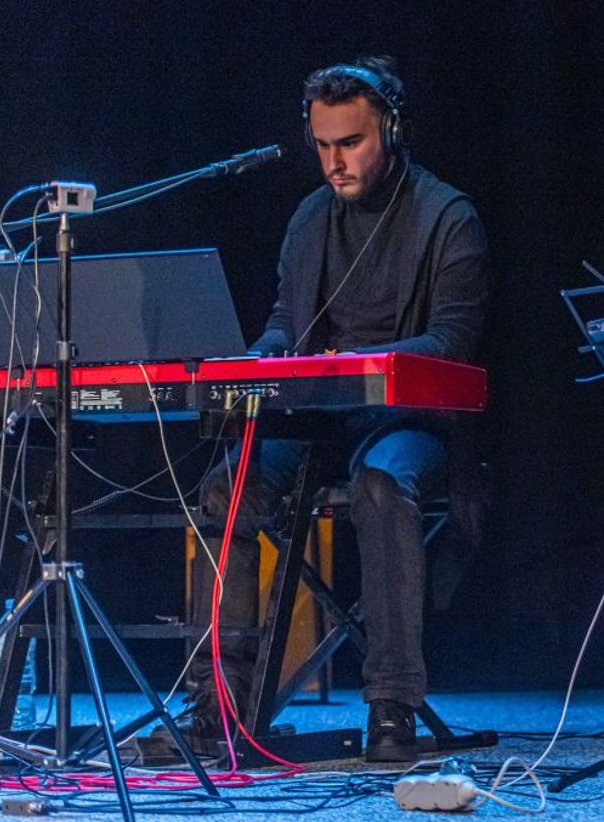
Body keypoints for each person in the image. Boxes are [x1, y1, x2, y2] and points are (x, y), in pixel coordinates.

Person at [185, 57, 490, 762]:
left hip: (410, 419)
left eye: (350, 142)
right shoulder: (310, 218)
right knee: (227, 486)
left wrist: (344, 366)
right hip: (316, 418)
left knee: (381, 482)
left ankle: (391, 704)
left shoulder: (449, 217)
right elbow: (284, 324)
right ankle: (218, 700)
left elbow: (450, 343)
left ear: (392, 131)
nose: (334, 162)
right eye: (322, 145)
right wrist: (256, 361)